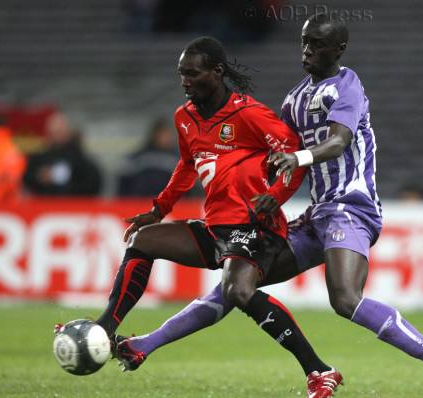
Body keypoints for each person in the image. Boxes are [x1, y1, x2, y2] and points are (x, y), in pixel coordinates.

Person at [119, 13, 423, 398]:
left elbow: (336, 142)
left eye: (317, 44)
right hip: (318, 215)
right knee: (238, 285)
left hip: (351, 207)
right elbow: (278, 153)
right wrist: (265, 189)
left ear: (339, 49)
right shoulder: (295, 100)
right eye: (304, 42)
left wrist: (298, 159)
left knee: (345, 298)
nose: (307, 50)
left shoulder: (347, 85)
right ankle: (144, 345)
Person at [79, 36, 342, 398]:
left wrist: (275, 195)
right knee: (143, 240)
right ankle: (106, 327)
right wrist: (159, 208)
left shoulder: (249, 113)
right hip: (216, 225)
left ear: (216, 73)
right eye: (181, 74)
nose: (185, 81)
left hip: (253, 225)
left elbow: (294, 158)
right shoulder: (184, 116)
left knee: (239, 291)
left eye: (192, 73)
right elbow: (187, 166)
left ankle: (318, 370)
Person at [23, 112, 102, 196]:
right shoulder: (39, 158)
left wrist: (70, 186)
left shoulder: (79, 158)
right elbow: (27, 177)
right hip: (45, 203)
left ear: (68, 132)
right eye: (55, 131)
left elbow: (92, 183)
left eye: (61, 130)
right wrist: (39, 177)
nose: (58, 134)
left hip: (72, 204)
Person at [117, 116, 186, 197]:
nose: (167, 137)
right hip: (139, 204)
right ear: (154, 134)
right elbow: (124, 181)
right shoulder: (138, 157)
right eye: (163, 134)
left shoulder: (178, 159)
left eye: (169, 134)